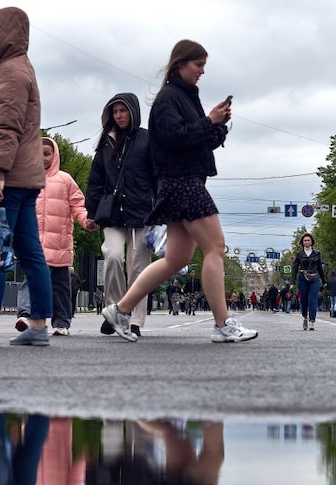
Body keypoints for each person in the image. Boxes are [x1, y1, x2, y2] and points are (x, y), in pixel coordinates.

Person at [100, 39, 257, 344]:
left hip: (180, 182)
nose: (202, 71)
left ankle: (120, 310)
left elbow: (196, 140)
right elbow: (174, 139)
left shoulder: (184, 96)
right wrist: (208, 121)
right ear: (180, 64)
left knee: (174, 259)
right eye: (198, 65)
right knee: (215, 248)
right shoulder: (168, 99)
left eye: (204, 66)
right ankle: (223, 323)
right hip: (182, 181)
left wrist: (218, 126)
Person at [0, 7, 54, 347]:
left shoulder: (10, 74)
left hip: (4, 180)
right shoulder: (17, 69)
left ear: (3, 36)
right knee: (30, 251)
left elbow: (7, 130)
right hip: (23, 178)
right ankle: (38, 326)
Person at [86, 93, 155, 338]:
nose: (118, 116)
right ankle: (114, 311)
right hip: (112, 212)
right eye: (114, 112)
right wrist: (90, 212)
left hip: (141, 213)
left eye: (122, 111)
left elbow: (157, 177)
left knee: (139, 269)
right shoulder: (107, 141)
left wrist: (163, 211)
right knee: (112, 257)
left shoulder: (147, 139)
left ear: (133, 112)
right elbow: (96, 179)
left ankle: (135, 318)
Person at [14, 137, 96, 337]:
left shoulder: (65, 180)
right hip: (33, 243)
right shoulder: (27, 180)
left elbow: (78, 205)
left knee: (60, 287)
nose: (43, 158)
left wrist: (86, 221)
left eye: (47, 154)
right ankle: (25, 314)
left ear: (55, 155)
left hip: (59, 245)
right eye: (39, 153)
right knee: (30, 279)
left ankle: (61, 323)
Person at [291, 232, 326, 331]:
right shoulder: (299, 254)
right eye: (305, 240)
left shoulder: (317, 253)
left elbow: (320, 268)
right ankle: (305, 317)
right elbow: (295, 268)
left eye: (308, 240)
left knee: (313, 299)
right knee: (304, 300)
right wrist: (292, 282)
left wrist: (324, 281)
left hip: (315, 278)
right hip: (303, 278)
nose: (307, 242)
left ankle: (312, 321)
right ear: (302, 242)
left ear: (312, 242)